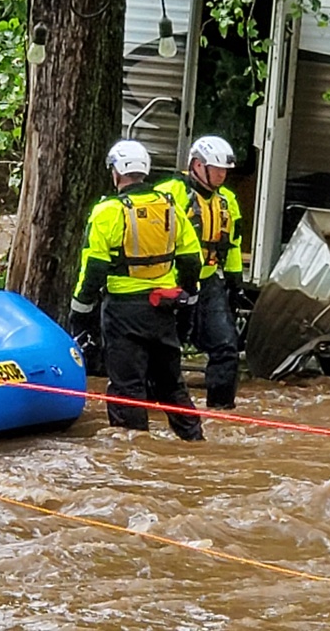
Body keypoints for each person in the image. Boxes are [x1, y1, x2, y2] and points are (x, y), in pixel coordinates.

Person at [68, 139, 205, 440]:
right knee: (171, 384)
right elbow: (192, 259)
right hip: (164, 309)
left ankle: (133, 449)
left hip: (123, 311)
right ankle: (194, 439)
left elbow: (93, 268)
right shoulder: (170, 206)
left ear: (116, 173)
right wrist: (190, 294)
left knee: (127, 387)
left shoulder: (108, 211)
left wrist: (80, 308)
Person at [155, 135, 246, 409]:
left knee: (227, 348)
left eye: (225, 170)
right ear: (197, 165)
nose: (222, 175)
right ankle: (156, 407)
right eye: (217, 169)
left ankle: (221, 411)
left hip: (208, 283)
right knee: (162, 349)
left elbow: (232, 245)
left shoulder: (227, 201)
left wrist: (235, 283)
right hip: (171, 283)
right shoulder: (168, 193)